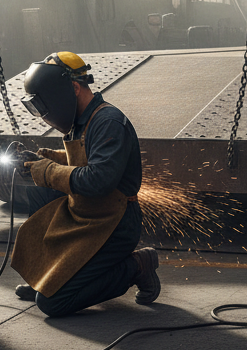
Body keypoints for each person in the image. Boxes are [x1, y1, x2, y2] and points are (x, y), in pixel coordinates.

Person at [9, 51, 159, 317]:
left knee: (53, 304)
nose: (46, 114)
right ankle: (49, 278)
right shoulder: (81, 122)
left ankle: (137, 265)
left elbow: (99, 180)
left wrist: (50, 171)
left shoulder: (108, 121)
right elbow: (82, 159)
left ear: (74, 88)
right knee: (40, 191)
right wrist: (42, 160)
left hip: (114, 223)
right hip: (86, 214)